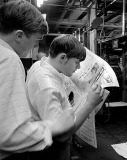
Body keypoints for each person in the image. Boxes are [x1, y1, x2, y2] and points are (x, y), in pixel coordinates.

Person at [0, 1, 76, 160]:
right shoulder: (9, 59)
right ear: (19, 35)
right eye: (35, 41)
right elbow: (8, 134)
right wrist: (53, 127)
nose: (34, 47)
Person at [26, 34, 104, 160]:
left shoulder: (41, 65)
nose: (78, 67)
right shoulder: (47, 87)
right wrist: (90, 104)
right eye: (76, 62)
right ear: (62, 57)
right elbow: (62, 135)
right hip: (48, 150)